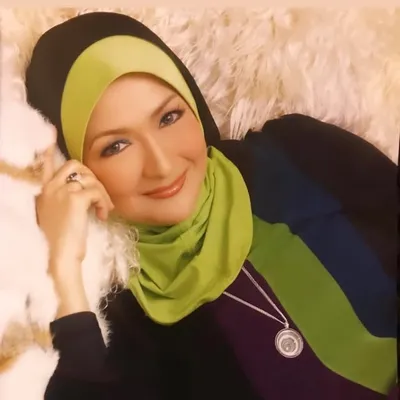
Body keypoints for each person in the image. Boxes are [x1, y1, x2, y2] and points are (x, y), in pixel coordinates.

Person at [24, 11, 397, 400]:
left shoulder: (297, 155)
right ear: (76, 165)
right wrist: (63, 268)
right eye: (116, 146)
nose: (162, 164)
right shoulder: (125, 318)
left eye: (169, 117)